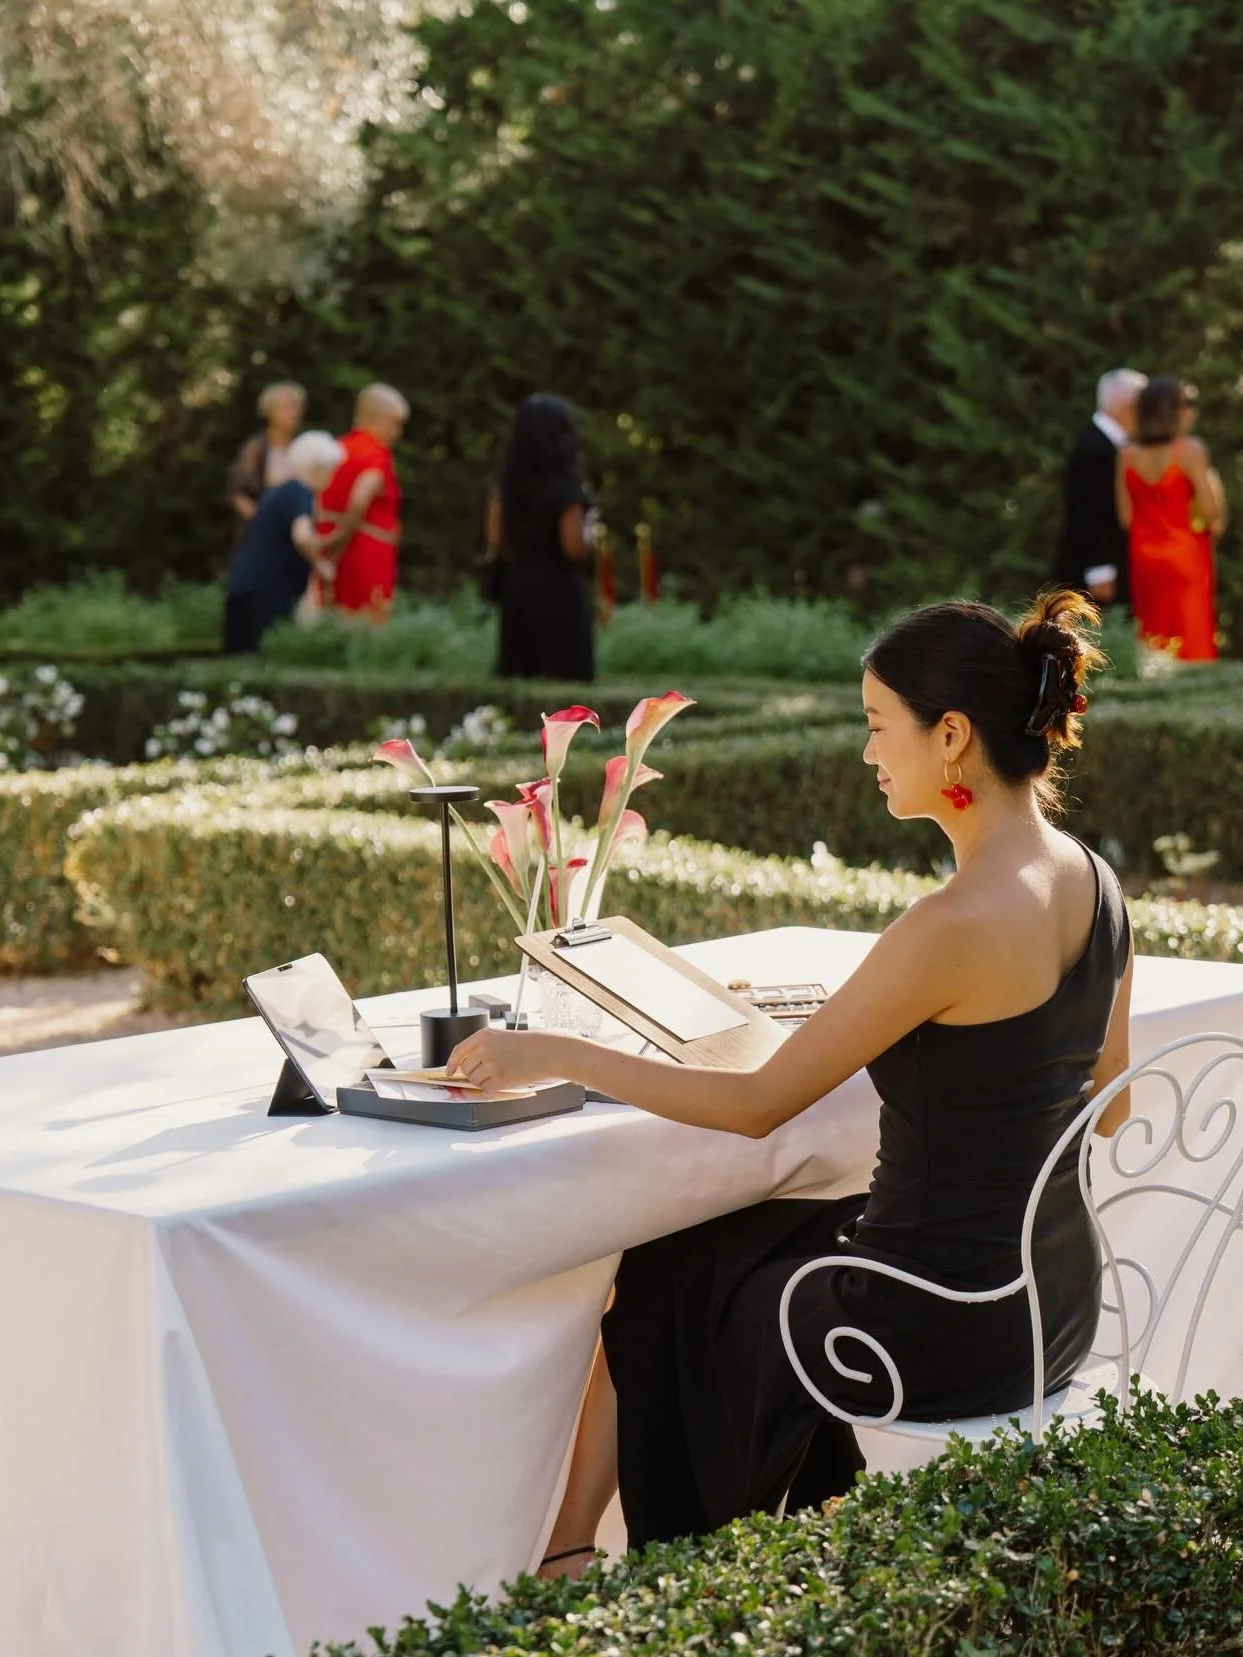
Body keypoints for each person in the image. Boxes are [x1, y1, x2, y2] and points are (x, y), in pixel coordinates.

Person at [448, 591, 1132, 1569]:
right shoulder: (1094, 881)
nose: (867, 753)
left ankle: (640, 1571)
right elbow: (1114, 1101)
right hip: (1053, 1299)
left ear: (950, 737)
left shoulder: (952, 923)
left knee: (662, 1281)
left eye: (875, 727)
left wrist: (548, 1052)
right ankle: (671, 1548)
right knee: (697, 1255)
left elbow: (755, 1106)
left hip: (935, 1320)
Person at [486, 394, 596, 680]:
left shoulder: (506, 487)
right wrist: (590, 535)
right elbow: (573, 548)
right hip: (559, 591)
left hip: (518, 587)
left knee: (519, 676)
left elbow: (496, 539)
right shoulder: (566, 490)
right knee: (565, 682)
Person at [1116, 375, 1223, 662]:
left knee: (1153, 635)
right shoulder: (1190, 450)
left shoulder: (1126, 454)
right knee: (1192, 633)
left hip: (1143, 553)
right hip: (1185, 550)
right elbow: (1210, 511)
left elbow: (1126, 517)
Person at [223, 432, 343, 655]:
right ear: (318, 467)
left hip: (243, 586)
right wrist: (321, 564)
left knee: (237, 665)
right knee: (264, 660)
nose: (331, 479)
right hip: (269, 593)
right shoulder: (300, 493)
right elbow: (302, 536)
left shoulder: (279, 493)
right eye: (331, 471)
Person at [1052, 369, 1147, 605]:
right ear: (1126, 403)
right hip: (1094, 571)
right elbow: (1089, 511)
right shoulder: (1096, 448)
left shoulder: (1107, 443)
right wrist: (1100, 568)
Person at [317, 384, 409, 622]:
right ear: (373, 418)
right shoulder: (375, 455)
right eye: (394, 423)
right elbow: (360, 499)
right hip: (367, 551)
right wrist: (341, 536)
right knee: (368, 619)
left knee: (333, 612)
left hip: (329, 544)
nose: (396, 433)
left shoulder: (337, 449)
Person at [227, 382, 306, 534]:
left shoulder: (303, 448)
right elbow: (238, 493)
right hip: (263, 532)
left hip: (297, 532)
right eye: (286, 408)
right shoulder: (255, 449)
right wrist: (260, 520)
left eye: (296, 407)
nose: (293, 413)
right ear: (269, 412)